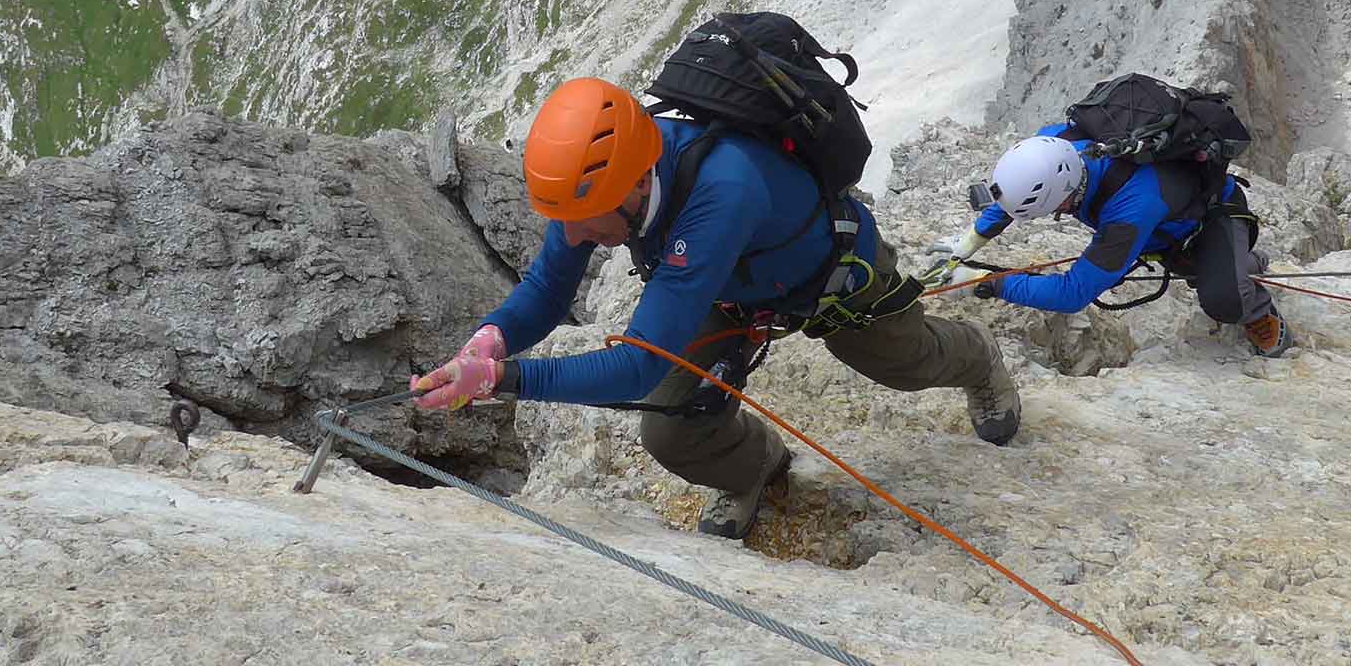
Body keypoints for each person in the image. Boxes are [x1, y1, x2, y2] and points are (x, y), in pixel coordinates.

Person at [410, 78, 1022, 540]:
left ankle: (979, 359)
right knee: (673, 430)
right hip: (727, 292)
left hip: (831, 278)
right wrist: (490, 339)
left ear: (635, 183)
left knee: (905, 363)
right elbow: (548, 290)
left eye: (583, 222)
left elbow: (637, 367)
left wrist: (501, 379)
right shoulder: (596, 188)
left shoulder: (723, 190)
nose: (572, 238)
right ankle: (754, 468)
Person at [929, 129, 1295, 357]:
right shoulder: (1055, 146)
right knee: (1199, 268)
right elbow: (1015, 194)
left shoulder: (1130, 211)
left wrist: (986, 283)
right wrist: (969, 243)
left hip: (1211, 217)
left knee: (1222, 300)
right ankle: (1236, 265)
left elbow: (1072, 294)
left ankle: (1255, 306)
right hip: (1163, 224)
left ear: (1064, 196)